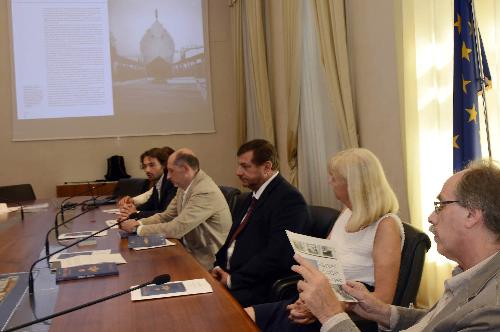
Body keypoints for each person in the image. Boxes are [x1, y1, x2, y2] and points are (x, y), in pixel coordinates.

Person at [293, 159, 500, 332]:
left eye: (440, 206)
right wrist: (381, 311)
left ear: (471, 215)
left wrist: (331, 315)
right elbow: (436, 321)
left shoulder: (491, 311)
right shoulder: (472, 274)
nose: (431, 217)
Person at [246, 147, 404, 332]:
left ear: (352, 184)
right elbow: (324, 264)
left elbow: (383, 300)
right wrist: (306, 300)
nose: (329, 181)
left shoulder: (386, 226)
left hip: (348, 313)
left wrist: (326, 305)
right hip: (324, 299)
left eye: (334, 177)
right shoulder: (347, 212)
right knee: (245, 315)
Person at [211, 139, 310, 307]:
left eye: (245, 166)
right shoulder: (249, 197)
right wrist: (217, 267)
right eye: (239, 166)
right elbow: (232, 240)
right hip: (234, 277)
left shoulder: (289, 200)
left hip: (258, 287)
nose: (238, 172)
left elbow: (277, 256)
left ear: (266, 167)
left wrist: (233, 280)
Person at [120, 148, 232, 270]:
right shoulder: (183, 185)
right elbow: (166, 215)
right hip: (187, 249)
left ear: (185, 169)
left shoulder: (204, 191)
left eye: (171, 171)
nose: (167, 176)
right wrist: (138, 222)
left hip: (207, 259)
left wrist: (138, 229)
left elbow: (177, 228)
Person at [118, 147, 177, 220]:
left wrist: (136, 213)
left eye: (152, 165)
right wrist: (132, 208)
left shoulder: (172, 182)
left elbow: (166, 213)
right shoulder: (159, 181)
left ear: (164, 165)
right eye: (144, 166)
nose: (147, 170)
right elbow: (150, 204)